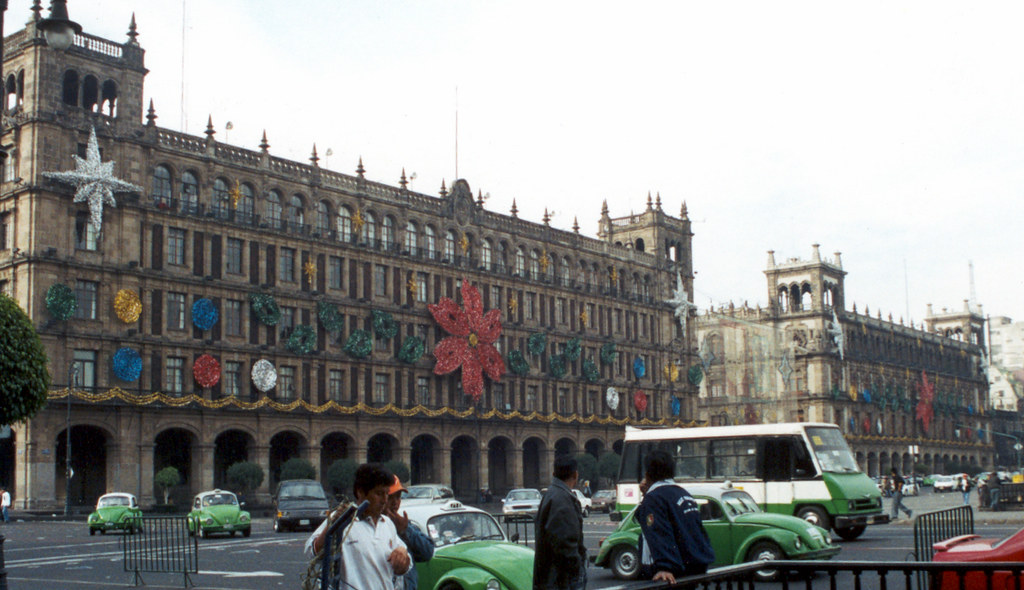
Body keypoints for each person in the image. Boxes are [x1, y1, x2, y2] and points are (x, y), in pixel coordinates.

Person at [304, 463, 410, 590]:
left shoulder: (387, 523)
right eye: (378, 494)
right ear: (360, 493)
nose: (384, 500)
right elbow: (312, 551)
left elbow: (404, 565)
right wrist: (332, 527)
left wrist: (402, 555)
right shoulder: (343, 519)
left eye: (386, 494)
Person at [635, 450, 715, 584]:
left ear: (647, 473)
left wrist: (665, 566)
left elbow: (658, 531)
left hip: (671, 574)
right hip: (695, 567)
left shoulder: (654, 498)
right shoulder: (683, 493)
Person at [534, 454, 587, 590]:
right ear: (575, 475)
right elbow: (565, 542)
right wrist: (577, 566)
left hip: (551, 576)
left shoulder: (552, 494)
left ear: (553, 474)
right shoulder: (562, 498)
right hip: (561, 578)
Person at [385, 475, 434, 590]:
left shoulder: (404, 523)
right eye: (390, 497)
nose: (395, 503)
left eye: (398, 497)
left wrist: (405, 530)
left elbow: (427, 552)